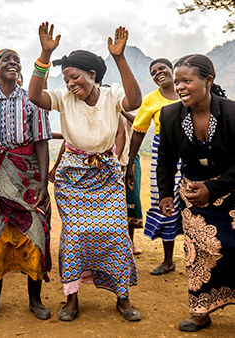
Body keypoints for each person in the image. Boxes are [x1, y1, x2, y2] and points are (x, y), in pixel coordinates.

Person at [28, 23, 142, 322]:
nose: (69, 83)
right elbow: (34, 96)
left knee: (116, 235)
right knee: (75, 237)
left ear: (92, 75)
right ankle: (71, 299)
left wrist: (119, 58)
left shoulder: (111, 95)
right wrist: (45, 53)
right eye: (65, 78)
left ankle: (123, 297)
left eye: (74, 76)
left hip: (106, 174)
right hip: (72, 177)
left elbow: (135, 102)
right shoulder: (63, 98)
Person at [157, 54, 235, 332]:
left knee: (232, 248)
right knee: (199, 253)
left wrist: (213, 188)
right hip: (192, 192)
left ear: (208, 81)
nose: (179, 87)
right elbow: (165, 158)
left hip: (232, 190)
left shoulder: (232, 113)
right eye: (177, 82)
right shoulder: (169, 115)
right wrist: (165, 193)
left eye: (187, 81)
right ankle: (201, 311)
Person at [0, 49, 52, 322]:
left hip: (28, 178)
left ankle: (35, 299)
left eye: (16, 61)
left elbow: (41, 141)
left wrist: (42, 181)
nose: (13, 64)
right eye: (7, 60)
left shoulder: (33, 100)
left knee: (36, 237)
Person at [126, 58, 181, 274]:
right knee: (165, 203)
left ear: (172, 70)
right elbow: (138, 131)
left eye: (162, 68)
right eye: (153, 71)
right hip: (163, 156)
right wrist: (130, 164)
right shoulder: (151, 100)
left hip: (192, 153)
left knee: (195, 203)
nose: (158, 73)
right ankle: (168, 260)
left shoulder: (188, 91)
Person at [119, 112, 144, 255]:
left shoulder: (126, 106)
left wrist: (121, 109)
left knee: (131, 199)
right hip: (109, 156)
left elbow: (138, 121)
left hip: (130, 157)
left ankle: (130, 242)